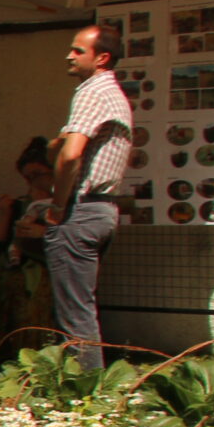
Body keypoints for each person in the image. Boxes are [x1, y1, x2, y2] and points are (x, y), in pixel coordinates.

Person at [44, 26, 133, 370]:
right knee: (80, 306)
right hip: (103, 209)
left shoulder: (92, 91)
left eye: (78, 50)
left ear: (102, 58)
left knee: (74, 314)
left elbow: (69, 155)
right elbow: (64, 144)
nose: (69, 55)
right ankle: (84, 390)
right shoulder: (113, 94)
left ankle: (85, 398)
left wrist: (56, 207)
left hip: (81, 209)